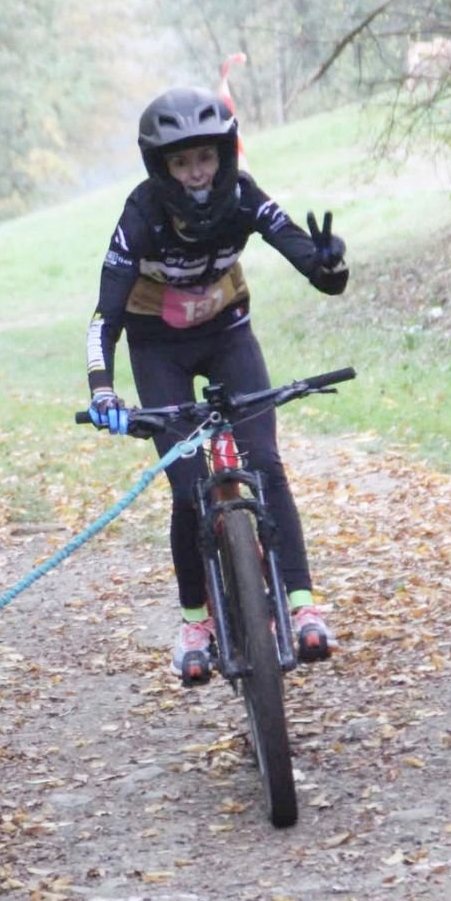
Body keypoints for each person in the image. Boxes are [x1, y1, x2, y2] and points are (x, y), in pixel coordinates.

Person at [85, 85, 349, 684]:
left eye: (205, 156)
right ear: (161, 168)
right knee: (186, 490)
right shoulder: (141, 215)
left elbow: (315, 268)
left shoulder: (244, 196)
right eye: (181, 162)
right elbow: (105, 317)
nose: (197, 172)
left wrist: (332, 263)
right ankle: (194, 624)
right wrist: (102, 390)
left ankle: (304, 608)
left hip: (229, 336)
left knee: (266, 463)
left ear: (224, 155)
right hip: (159, 350)